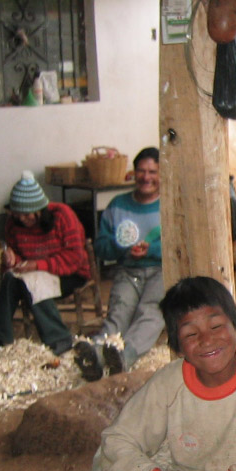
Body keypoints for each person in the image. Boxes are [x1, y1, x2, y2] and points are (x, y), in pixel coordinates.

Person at [90, 276, 236, 471]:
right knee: (103, 465)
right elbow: (117, 439)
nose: (207, 340)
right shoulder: (169, 384)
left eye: (216, 326)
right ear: (178, 348)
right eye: (191, 334)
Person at [74, 147, 163, 381]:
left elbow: (181, 245)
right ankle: (94, 353)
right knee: (119, 314)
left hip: (161, 271)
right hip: (127, 270)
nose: (146, 177)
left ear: (163, 174)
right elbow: (102, 247)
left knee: (151, 313)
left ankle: (124, 354)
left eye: (153, 171)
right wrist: (121, 247)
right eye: (141, 171)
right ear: (133, 174)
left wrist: (151, 250)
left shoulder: (170, 205)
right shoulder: (117, 205)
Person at [0, 171, 90, 356]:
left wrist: (38, 266)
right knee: (10, 279)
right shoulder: (13, 223)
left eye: (28, 215)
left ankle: (59, 339)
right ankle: (0, 339)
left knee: (33, 282)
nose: (23, 219)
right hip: (32, 272)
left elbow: (75, 258)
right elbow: (19, 258)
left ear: (41, 209)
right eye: (18, 215)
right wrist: (13, 260)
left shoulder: (63, 215)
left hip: (70, 273)